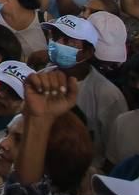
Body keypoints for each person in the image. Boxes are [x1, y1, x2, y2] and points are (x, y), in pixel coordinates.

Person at [44, 15, 126, 166]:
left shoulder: (107, 94)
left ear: (88, 52)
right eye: (55, 37)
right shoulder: (39, 79)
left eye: (68, 41)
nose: (58, 43)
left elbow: (115, 152)